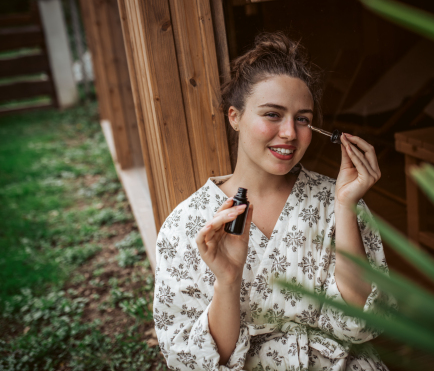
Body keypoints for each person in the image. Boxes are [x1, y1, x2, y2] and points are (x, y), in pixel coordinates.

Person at [154, 32, 389, 371]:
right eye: (272, 114)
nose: (291, 133)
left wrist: (346, 204)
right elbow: (199, 362)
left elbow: (359, 325)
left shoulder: (333, 199)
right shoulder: (185, 224)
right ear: (234, 117)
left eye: (303, 119)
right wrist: (228, 279)